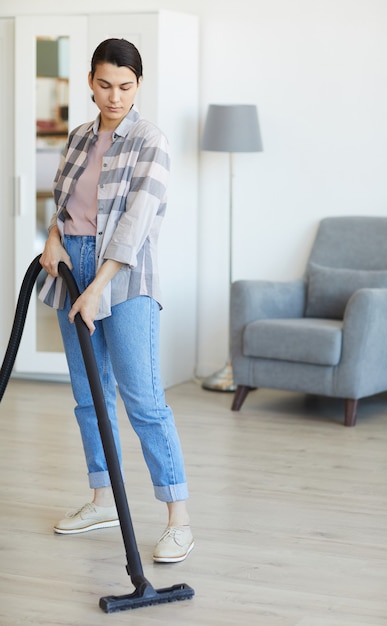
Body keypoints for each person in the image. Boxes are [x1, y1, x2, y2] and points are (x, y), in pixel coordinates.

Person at [39, 38, 193, 563]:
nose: (115, 96)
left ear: (139, 85)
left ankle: (178, 518)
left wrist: (97, 288)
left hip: (123, 277)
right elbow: (61, 201)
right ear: (90, 82)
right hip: (71, 267)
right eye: (105, 85)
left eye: (126, 87)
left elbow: (134, 226)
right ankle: (103, 498)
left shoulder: (151, 140)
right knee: (89, 395)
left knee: (143, 399)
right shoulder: (80, 136)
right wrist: (53, 241)